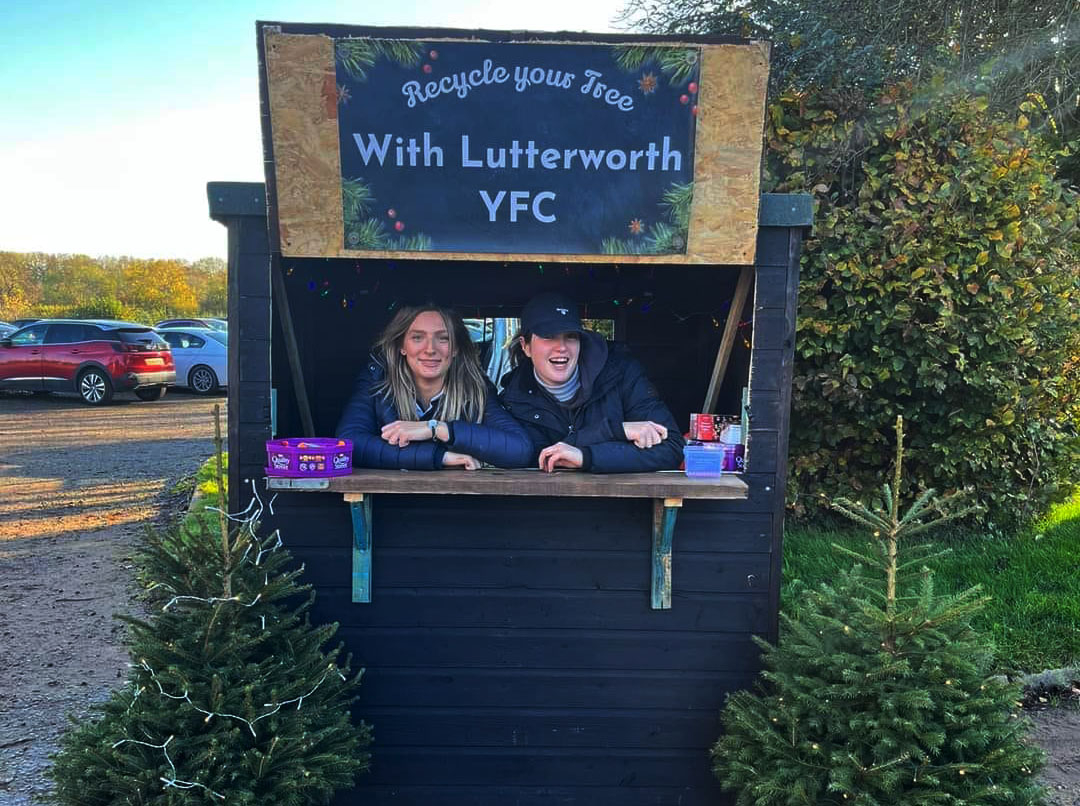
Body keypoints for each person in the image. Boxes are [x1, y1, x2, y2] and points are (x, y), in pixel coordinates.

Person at [499, 291, 684, 473]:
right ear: (525, 346)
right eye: (549, 337)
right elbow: (540, 457)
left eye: (571, 336)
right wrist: (614, 431)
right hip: (547, 501)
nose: (561, 347)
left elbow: (672, 447)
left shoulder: (621, 372)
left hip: (623, 499)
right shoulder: (515, 397)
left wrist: (586, 456)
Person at [337, 305, 532, 470]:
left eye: (443, 338)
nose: (430, 349)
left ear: (455, 348)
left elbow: (519, 450)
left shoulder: (474, 388)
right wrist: (439, 457)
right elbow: (348, 445)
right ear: (401, 346)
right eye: (417, 338)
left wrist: (438, 429)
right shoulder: (377, 380)